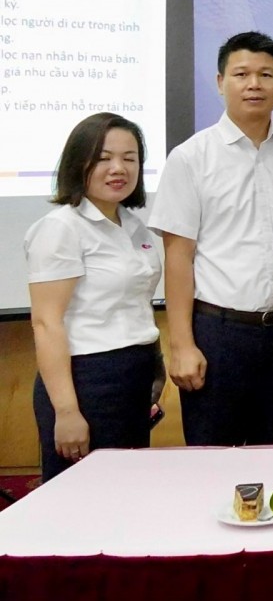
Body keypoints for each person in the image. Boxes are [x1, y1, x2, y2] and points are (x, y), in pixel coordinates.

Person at [149, 32, 273, 446]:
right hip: (219, 334)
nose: (254, 84)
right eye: (241, 73)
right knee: (214, 457)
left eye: (266, 74)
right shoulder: (191, 157)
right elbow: (178, 259)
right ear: (219, 81)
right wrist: (182, 345)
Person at [26, 113, 161, 481]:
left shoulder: (133, 225)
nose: (118, 168)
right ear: (78, 162)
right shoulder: (61, 228)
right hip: (88, 381)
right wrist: (67, 411)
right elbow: (46, 322)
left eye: (130, 158)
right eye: (104, 158)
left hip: (133, 377)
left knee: (124, 492)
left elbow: (134, 302)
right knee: (81, 498)